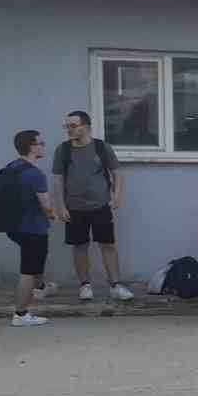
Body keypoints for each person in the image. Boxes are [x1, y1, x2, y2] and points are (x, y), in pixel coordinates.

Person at [51, 111, 134, 302]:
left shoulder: (101, 147)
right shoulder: (63, 150)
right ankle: (85, 285)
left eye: (73, 126)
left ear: (86, 127)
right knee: (79, 246)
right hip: (74, 207)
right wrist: (60, 206)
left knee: (108, 245)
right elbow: (57, 180)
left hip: (100, 206)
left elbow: (116, 173)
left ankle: (115, 285)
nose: (69, 130)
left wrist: (117, 196)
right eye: (67, 126)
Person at [4, 130, 56, 327]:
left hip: (15, 227)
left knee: (34, 264)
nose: (43, 145)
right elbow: (46, 206)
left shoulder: (12, 167)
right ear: (32, 147)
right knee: (29, 270)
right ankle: (21, 314)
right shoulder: (35, 174)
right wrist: (53, 214)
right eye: (41, 142)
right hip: (33, 228)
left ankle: (41, 287)